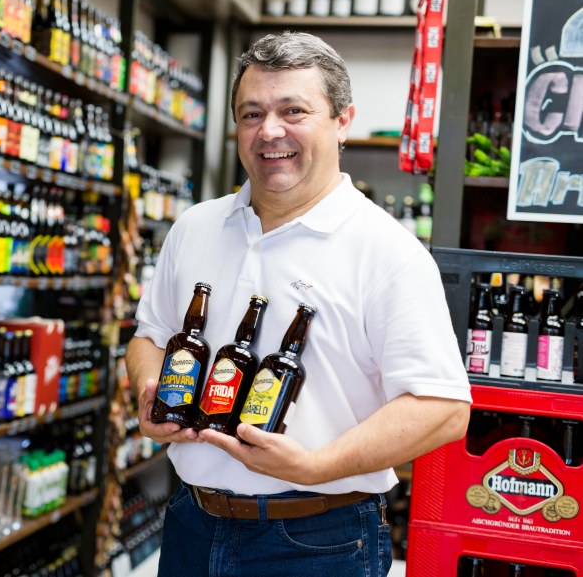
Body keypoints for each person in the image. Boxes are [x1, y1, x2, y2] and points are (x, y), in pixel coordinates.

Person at [127, 32, 472, 577]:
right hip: (193, 518)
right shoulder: (195, 227)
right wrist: (148, 391)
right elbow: (151, 334)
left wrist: (316, 466)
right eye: (252, 113)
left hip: (318, 539)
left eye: (294, 110)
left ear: (342, 121)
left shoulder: (387, 252)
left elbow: (443, 408)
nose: (270, 131)